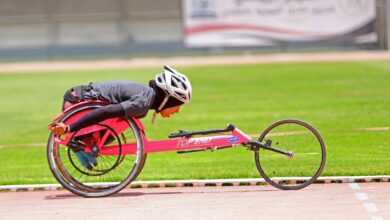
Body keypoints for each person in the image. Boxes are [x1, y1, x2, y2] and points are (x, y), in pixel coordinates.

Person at [49, 65, 192, 170]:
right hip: (76, 101)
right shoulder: (142, 102)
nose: (177, 111)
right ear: (169, 100)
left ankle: (78, 141)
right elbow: (105, 112)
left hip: (79, 98)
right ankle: (77, 139)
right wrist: (70, 128)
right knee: (110, 125)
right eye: (178, 105)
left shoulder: (145, 98)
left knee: (117, 124)